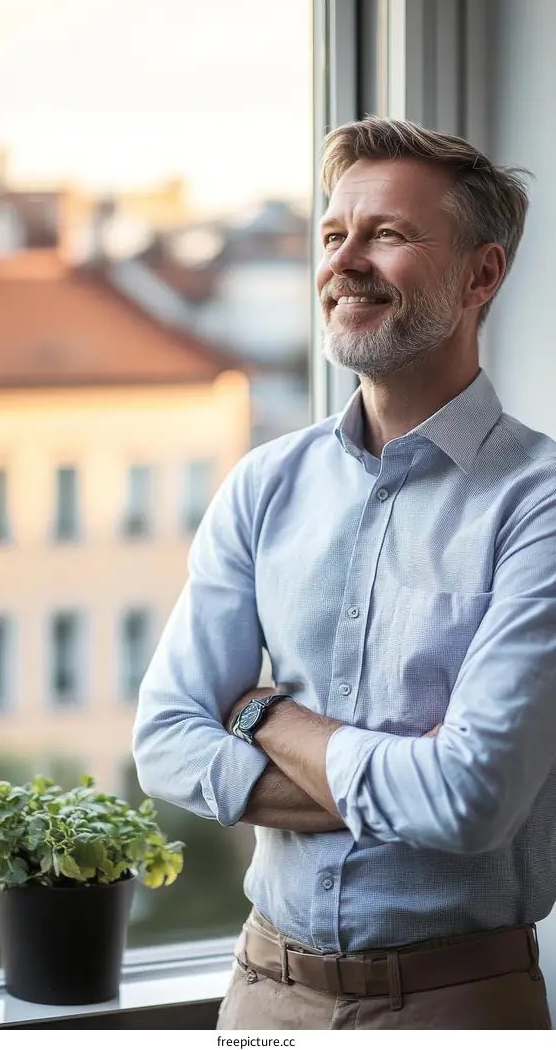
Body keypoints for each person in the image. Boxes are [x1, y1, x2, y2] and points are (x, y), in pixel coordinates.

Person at [132, 117, 556, 1030]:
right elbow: (164, 739)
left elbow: (468, 798)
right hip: (260, 991)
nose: (345, 262)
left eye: (388, 235)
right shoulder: (264, 484)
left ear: (482, 275)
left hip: (456, 1004)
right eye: (334, 235)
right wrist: (394, 783)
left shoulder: (539, 505)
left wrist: (263, 713)